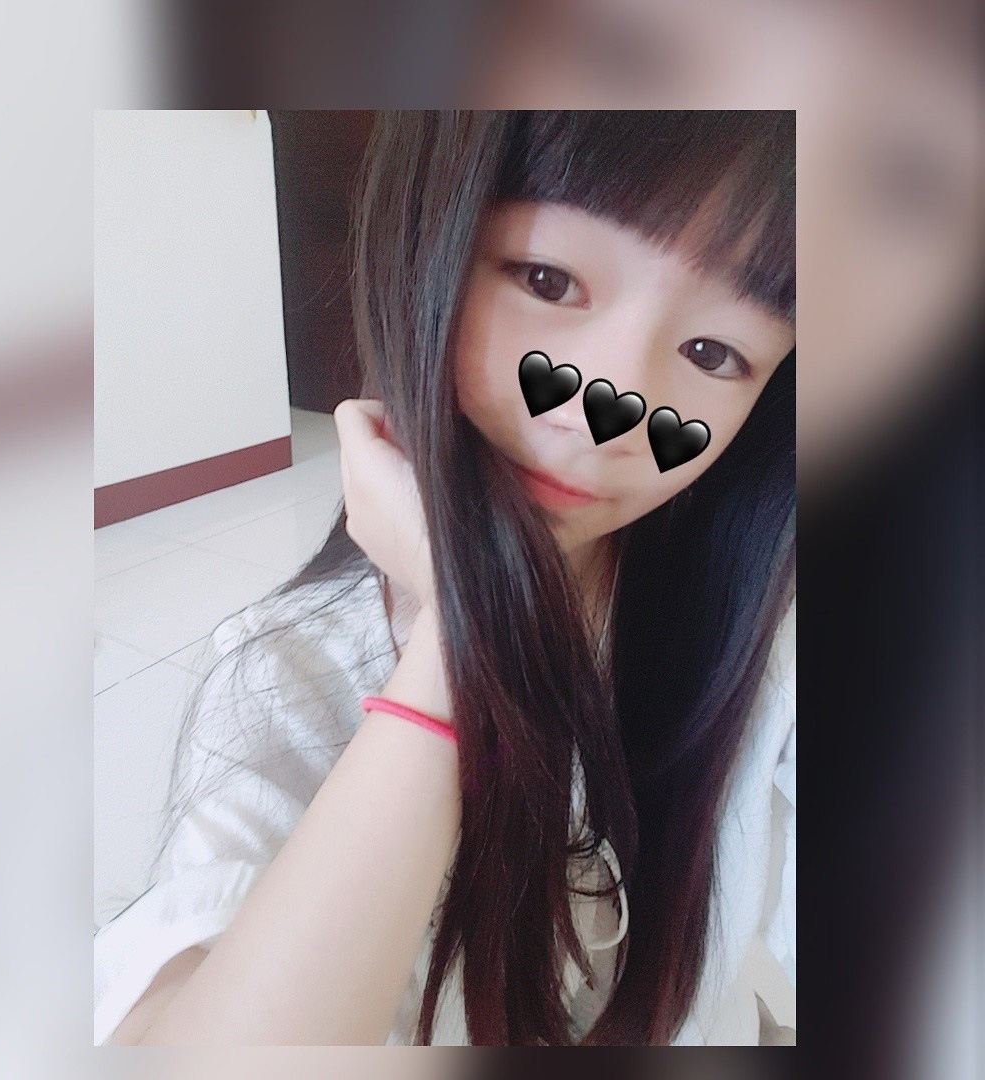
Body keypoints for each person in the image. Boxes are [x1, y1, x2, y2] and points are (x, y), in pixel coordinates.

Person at [94, 110, 797, 1046]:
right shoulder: (290, 675)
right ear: (432, 245)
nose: (606, 411)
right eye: (548, 280)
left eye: (714, 353)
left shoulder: (761, 636)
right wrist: (458, 646)